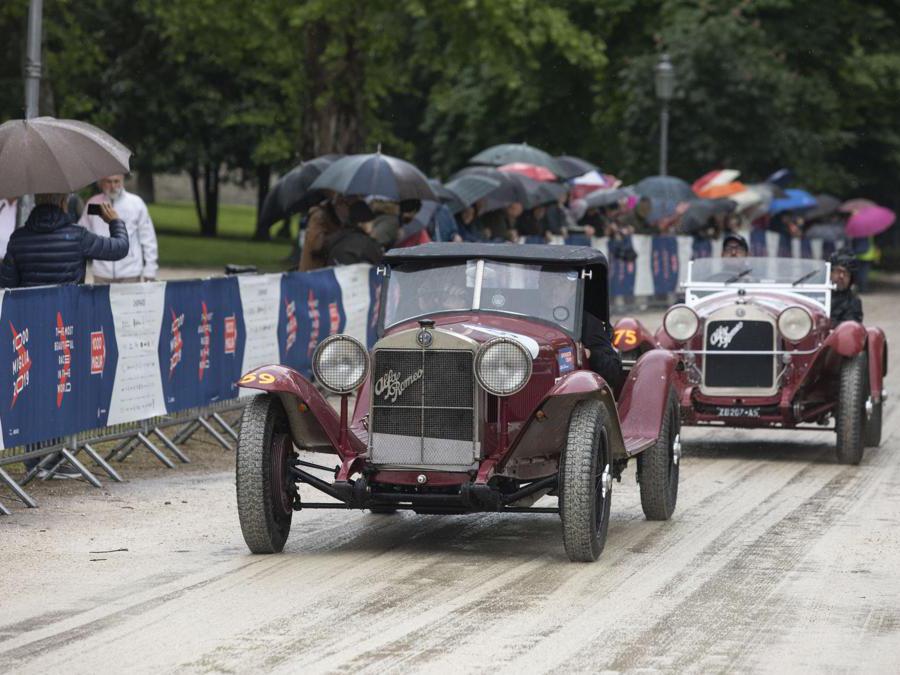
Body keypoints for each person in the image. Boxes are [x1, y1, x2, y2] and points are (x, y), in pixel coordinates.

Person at [1, 192, 128, 479]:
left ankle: (35, 459)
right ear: (63, 203)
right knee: (64, 386)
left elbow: (7, 284)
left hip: (28, 325)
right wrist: (115, 221)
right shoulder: (78, 236)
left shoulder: (19, 238)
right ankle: (57, 455)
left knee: (33, 390)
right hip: (68, 324)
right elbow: (119, 249)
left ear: (35, 204)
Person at [80, 175, 158, 282]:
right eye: (108, 182)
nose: (113, 186)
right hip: (101, 272)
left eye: (116, 181)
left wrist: (150, 269)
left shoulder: (136, 203)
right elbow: (82, 233)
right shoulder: (93, 203)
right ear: (101, 182)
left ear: (122, 180)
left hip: (130, 271)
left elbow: (148, 237)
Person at [829, 250, 863, 325]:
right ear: (830, 272)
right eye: (838, 271)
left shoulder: (853, 301)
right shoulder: (816, 293)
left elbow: (849, 328)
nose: (841, 276)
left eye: (846, 273)